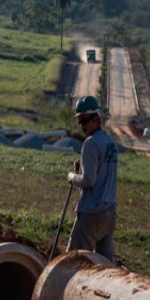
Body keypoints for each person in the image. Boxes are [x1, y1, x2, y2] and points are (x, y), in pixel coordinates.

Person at [66, 95, 119, 264]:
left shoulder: (90, 143)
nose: (81, 126)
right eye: (79, 122)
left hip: (92, 213)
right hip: (109, 214)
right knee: (105, 266)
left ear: (96, 119)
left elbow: (89, 180)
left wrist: (73, 177)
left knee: (73, 262)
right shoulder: (109, 141)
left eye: (84, 121)